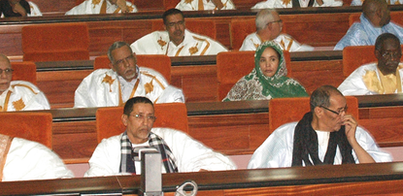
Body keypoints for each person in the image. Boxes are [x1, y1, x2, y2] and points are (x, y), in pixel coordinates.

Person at [85, 96, 234, 177]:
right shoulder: (109, 146)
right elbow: (96, 179)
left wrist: (199, 172)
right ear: (125, 119)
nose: (146, 122)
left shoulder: (171, 138)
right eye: (139, 116)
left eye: (150, 117)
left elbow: (213, 160)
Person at [248, 85, 391, 168]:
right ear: (319, 111)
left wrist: (352, 141)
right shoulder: (287, 134)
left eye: (345, 110)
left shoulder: (354, 132)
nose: (344, 115)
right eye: (338, 111)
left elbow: (374, 173)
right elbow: (262, 172)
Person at [74, 42, 185, 107]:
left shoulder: (153, 78)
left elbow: (174, 101)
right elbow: (82, 105)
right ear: (112, 66)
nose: (127, 64)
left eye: (129, 58)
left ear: (135, 57)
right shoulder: (98, 80)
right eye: (120, 62)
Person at [338, 33, 403, 95]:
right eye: (387, 54)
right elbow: (344, 93)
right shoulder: (364, 73)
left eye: (396, 54)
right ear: (377, 54)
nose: (393, 58)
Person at [335, 0, 403, 50]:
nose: (389, 12)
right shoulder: (356, 34)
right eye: (387, 9)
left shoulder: (389, 26)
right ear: (379, 12)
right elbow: (341, 54)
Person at [225, 41, 307, 101]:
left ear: (280, 61)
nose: (268, 64)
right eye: (263, 60)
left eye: (273, 59)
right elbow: (227, 107)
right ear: (258, 63)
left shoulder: (292, 86)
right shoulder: (246, 83)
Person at [131, 9, 228, 56]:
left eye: (180, 23)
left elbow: (226, 57)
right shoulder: (156, 38)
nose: (177, 28)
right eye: (172, 24)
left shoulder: (202, 44)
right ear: (165, 27)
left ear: (185, 24)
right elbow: (132, 51)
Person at [239, 9, 313, 52]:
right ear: (270, 25)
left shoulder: (284, 39)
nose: (281, 24)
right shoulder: (251, 43)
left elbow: (304, 51)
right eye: (279, 22)